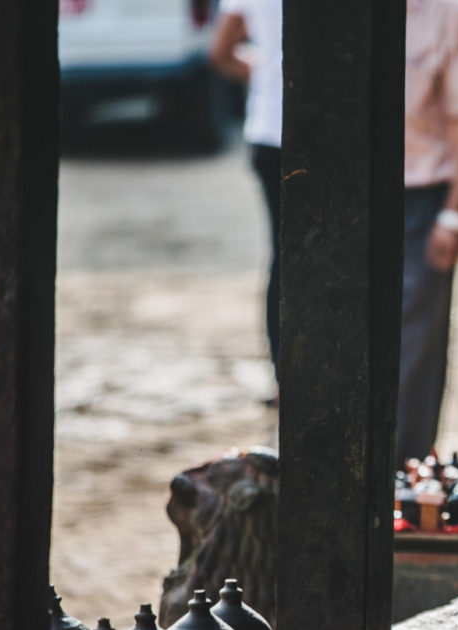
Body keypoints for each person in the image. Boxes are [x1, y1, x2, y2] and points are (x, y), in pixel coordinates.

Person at [399, 0, 458, 464]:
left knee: (415, 344)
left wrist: (452, 215)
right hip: (347, 191)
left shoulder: (451, 14)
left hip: (420, 194)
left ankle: (403, 468)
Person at [210, 0, 283, 401]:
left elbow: (219, 53)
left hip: (270, 130)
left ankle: (282, 374)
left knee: (284, 254)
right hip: (322, 133)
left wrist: (264, 70)